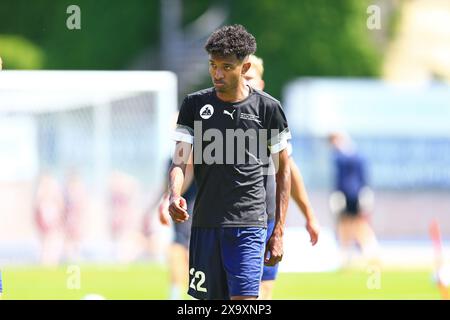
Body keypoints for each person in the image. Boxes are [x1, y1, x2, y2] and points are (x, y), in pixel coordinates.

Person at [168, 24, 292, 300]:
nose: (216, 73)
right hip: (205, 225)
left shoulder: (268, 109)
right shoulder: (193, 106)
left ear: (245, 67)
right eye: (213, 65)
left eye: (225, 66)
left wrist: (280, 230)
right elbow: (179, 161)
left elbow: (285, 171)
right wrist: (174, 195)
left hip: (249, 224)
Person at [244, 55, 320, 300]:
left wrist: (309, 214)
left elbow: (288, 170)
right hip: (226, 219)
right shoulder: (219, 118)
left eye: (250, 78)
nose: (245, 84)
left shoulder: (270, 118)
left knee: (263, 289)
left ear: (261, 83)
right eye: (241, 78)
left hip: (265, 217)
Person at [328, 132, 378, 266]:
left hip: (354, 194)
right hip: (344, 195)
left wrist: (365, 193)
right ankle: (345, 254)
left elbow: (362, 177)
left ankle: (369, 251)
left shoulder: (351, 156)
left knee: (358, 223)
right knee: (345, 224)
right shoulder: (340, 156)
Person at [34, 173, 65, 266]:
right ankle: (47, 264)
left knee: (54, 245)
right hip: (46, 227)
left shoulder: (54, 196)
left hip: (53, 226)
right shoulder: (41, 198)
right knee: (47, 246)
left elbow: (61, 207)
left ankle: (52, 263)